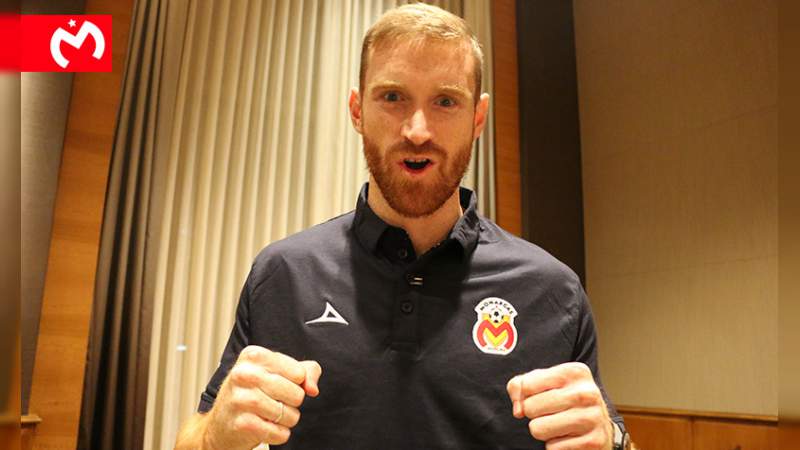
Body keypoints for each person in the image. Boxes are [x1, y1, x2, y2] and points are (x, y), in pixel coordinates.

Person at [174, 3, 629, 450]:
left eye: (445, 101)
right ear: (357, 110)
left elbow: (605, 434)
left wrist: (614, 441)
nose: (417, 130)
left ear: (478, 118)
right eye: (393, 97)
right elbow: (194, 439)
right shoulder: (283, 274)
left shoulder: (553, 290)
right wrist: (216, 435)